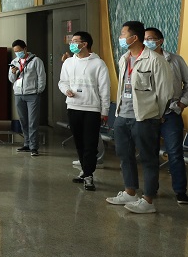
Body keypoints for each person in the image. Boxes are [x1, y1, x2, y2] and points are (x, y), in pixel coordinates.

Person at [104, 21, 176, 213]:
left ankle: (148, 200)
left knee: (148, 158)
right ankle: (130, 192)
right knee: (124, 155)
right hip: (122, 115)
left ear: (134, 37)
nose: (120, 37)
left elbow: (165, 92)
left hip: (144, 117)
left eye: (123, 34)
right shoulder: (124, 58)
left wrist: (156, 113)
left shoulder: (155, 60)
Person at [59, 31, 110, 191]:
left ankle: (89, 175)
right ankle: (84, 170)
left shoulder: (98, 63)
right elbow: (62, 82)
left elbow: (104, 89)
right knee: (79, 142)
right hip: (73, 107)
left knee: (90, 143)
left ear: (85, 44)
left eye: (75, 41)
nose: (72, 44)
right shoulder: (68, 62)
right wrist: (66, 90)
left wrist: (105, 110)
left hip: (91, 109)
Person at [143, 27, 188, 204]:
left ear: (160, 41)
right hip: (149, 114)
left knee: (175, 153)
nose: (147, 42)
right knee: (150, 153)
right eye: (145, 39)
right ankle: (151, 189)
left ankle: (180, 191)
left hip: (171, 114)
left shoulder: (175, 60)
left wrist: (182, 103)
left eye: (150, 39)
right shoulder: (142, 60)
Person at [9, 39, 47, 156]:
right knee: (23, 120)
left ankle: (34, 147)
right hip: (18, 94)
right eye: (15, 51)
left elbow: (41, 76)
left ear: (25, 49)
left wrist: (38, 90)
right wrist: (13, 72)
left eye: (19, 51)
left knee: (33, 121)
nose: (18, 53)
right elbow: (11, 80)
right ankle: (26, 143)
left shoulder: (36, 61)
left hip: (32, 94)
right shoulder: (14, 62)